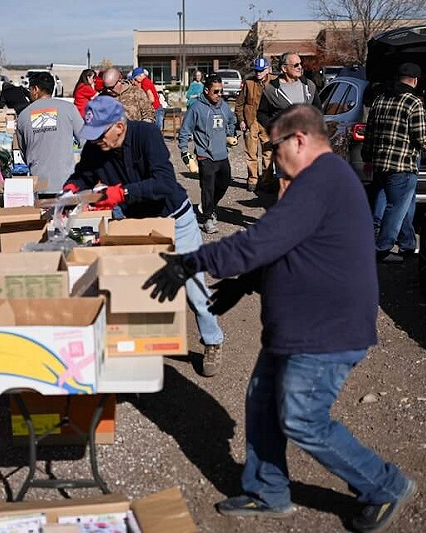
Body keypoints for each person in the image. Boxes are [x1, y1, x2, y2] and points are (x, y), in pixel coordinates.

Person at [142, 104, 416, 533]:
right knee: (263, 403)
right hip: (297, 327)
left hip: (326, 329)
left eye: (274, 148)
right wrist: (245, 282)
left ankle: (384, 485)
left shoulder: (322, 179)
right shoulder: (318, 181)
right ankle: (268, 491)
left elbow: (263, 239)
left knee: (302, 417)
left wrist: (190, 262)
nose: (272, 158)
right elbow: (288, 246)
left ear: (299, 140)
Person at [63, 96, 225, 377]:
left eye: (101, 134)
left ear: (119, 126)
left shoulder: (146, 134)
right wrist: (71, 188)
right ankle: (137, 348)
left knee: (194, 287)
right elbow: (84, 174)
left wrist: (122, 193)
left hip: (175, 218)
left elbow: (163, 182)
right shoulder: (96, 146)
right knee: (135, 287)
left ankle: (212, 341)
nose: (97, 142)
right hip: (136, 223)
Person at [363, 63, 426, 263]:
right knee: (396, 207)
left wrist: (368, 156)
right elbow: (420, 138)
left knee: (402, 205)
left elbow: (370, 132)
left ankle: (408, 243)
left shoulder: (380, 99)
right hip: (403, 164)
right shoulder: (414, 102)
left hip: (381, 162)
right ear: (415, 81)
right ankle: (382, 248)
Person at [178, 74, 237, 234]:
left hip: (222, 154)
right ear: (206, 90)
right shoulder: (196, 108)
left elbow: (232, 120)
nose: (219, 95)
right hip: (205, 155)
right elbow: (184, 131)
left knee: (224, 184)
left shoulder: (223, 105)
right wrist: (185, 152)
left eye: (221, 92)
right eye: (216, 92)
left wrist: (230, 135)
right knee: (208, 188)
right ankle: (207, 219)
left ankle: (208, 207)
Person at [16, 72, 84, 194]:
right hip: (66, 184)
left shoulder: (24, 115)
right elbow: (85, 141)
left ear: (35, 89)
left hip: (38, 186)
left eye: (30, 90)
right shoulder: (69, 109)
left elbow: (24, 151)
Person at [257, 52, 321, 132]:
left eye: (300, 64)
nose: (300, 67)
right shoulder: (271, 89)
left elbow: (318, 111)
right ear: (284, 68)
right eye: (296, 65)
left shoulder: (309, 86)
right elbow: (261, 114)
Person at [235, 57, 274, 192]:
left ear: (267, 70)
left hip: (267, 123)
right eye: (256, 70)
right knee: (251, 153)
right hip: (251, 121)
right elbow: (239, 104)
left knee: (268, 153)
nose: (258, 73)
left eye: (261, 71)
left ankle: (267, 181)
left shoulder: (274, 82)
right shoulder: (249, 83)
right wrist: (241, 120)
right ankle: (253, 180)